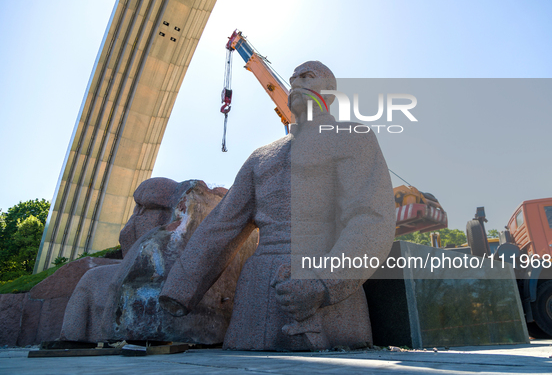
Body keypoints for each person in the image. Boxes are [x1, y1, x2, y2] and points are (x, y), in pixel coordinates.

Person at [159, 61, 397, 350]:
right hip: (256, 300)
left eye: (308, 76)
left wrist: (324, 282)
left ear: (331, 94)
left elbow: (371, 219)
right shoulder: (261, 156)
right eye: (294, 77)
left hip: (326, 299)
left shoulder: (351, 137)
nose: (297, 82)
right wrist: (180, 289)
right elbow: (224, 223)